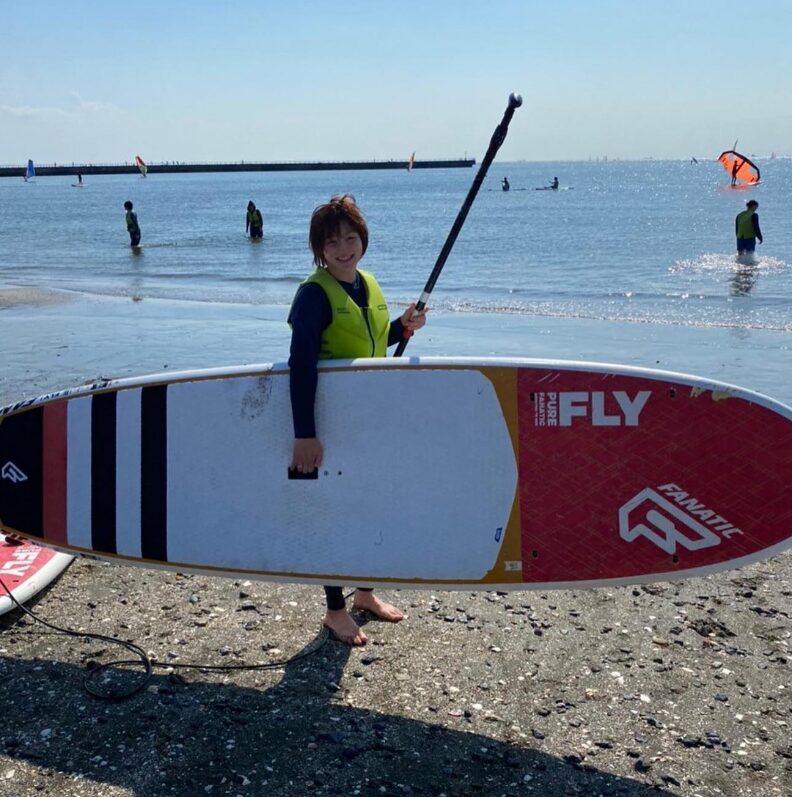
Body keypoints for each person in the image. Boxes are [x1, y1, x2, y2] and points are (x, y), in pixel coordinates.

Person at [288, 194, 427, 646]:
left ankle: (364, 592)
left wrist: (402, 326)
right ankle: (334, 609)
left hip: (369, 418)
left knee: (370, 502)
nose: (344, 248)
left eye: (351, 238)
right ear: (320, 250)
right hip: (329, 420)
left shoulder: (367, 282)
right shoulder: (313, 296)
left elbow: (371, 342)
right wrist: (304, 435)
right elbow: (302, 366)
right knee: (333, 510)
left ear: (362, 240)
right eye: (333, 243)